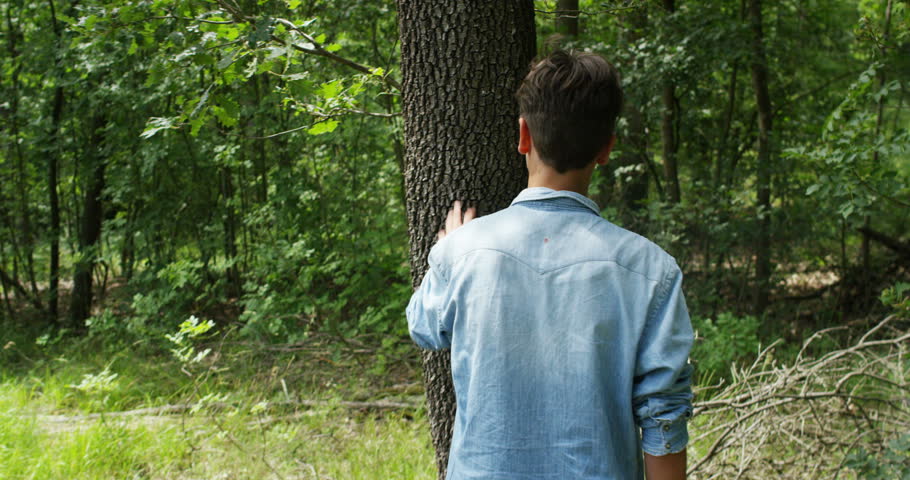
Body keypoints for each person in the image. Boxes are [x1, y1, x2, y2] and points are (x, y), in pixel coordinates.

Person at [406, 50, 694, 480]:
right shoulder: (652, 271)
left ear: (523, 135)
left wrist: (449, 252)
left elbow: (424, 328)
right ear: (606, 149)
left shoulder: (462, 252)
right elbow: (663, 417)